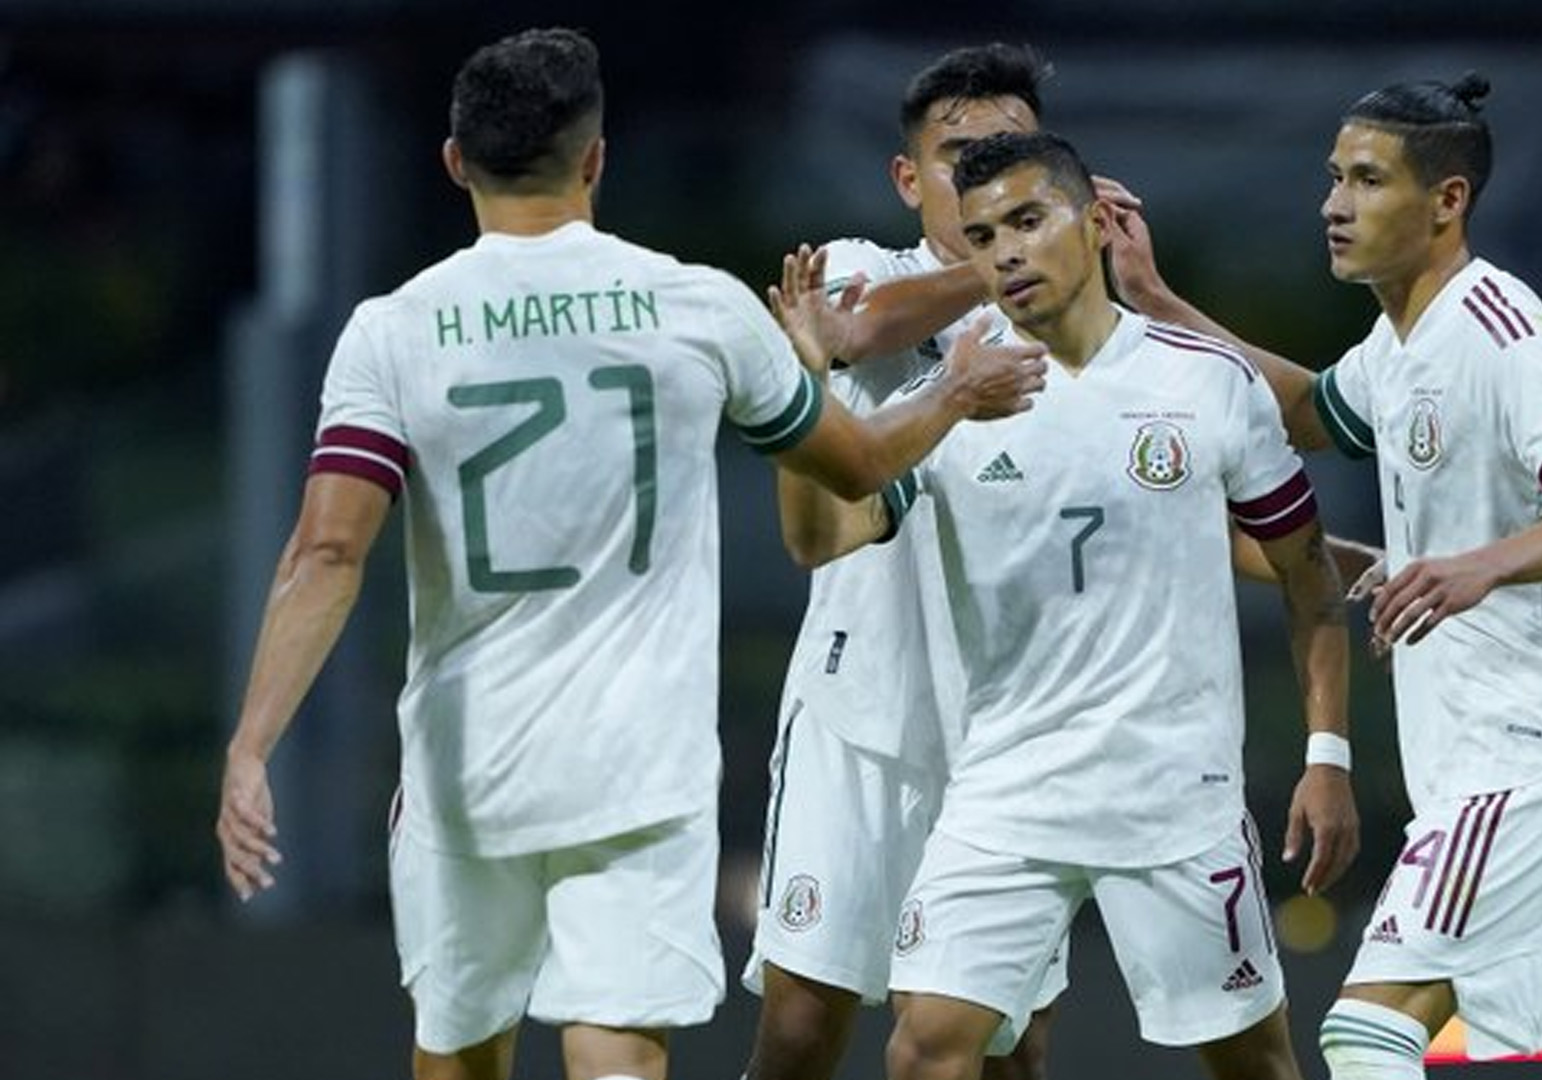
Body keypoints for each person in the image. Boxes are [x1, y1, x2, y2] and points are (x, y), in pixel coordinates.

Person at [212, 28, 1043, 1080]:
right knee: (617, 1054)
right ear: (597, 159)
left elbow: (326, 552)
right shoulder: (697, 306)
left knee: (460, 1051)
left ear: (456, 162)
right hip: (637, 765)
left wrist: (251, 745)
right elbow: (850, 468)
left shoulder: (393, 329)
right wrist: (956, 397)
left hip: (467, 770)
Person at [1109, 74, 1542, 1080]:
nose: (1333, 204)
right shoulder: (1402, 339)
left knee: (1366, 1034)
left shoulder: (1501, 332)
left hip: (1526, 760)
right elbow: (1312, 413)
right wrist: (1153, 302)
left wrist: (1476, 569)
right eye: (1333, 178)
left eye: (1366, 181)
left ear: (1447, 200)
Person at [785, 129, 1360, 1080]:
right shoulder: (956, 397)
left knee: (1255, 1064)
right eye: (980, 236)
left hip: (1176, 797)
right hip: (1006, 791)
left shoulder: (1207, 383)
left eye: (1026, 220)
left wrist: (1326, 758)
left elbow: (1306, 573)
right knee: (926, 1049)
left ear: (1096, 224)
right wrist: (810, 386)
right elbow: (819, 538)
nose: (1005, 251)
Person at [742, 44, 1083, 1080]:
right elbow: (852, 331)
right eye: (959, 156)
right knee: (801, 1031)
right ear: (907, 179)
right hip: (860, 713)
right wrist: (1025, 247)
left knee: (1004, 1050)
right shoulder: (868, 266)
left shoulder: (1080, 327)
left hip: (1009, 730)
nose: (986, 174)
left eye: (1012, 155)